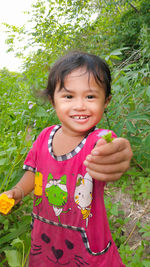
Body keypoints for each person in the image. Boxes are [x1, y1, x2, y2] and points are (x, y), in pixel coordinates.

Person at [2, 51, 132, 266]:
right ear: (53, 101)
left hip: (85, 244)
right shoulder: (44, 136)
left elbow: (113, 148)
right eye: (68, 96)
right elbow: (33, 173)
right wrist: (17, 191)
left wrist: (118, 152)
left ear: (106, 101)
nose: (80, 105)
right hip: (44, 237)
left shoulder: (97, 142)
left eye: (90, 96)